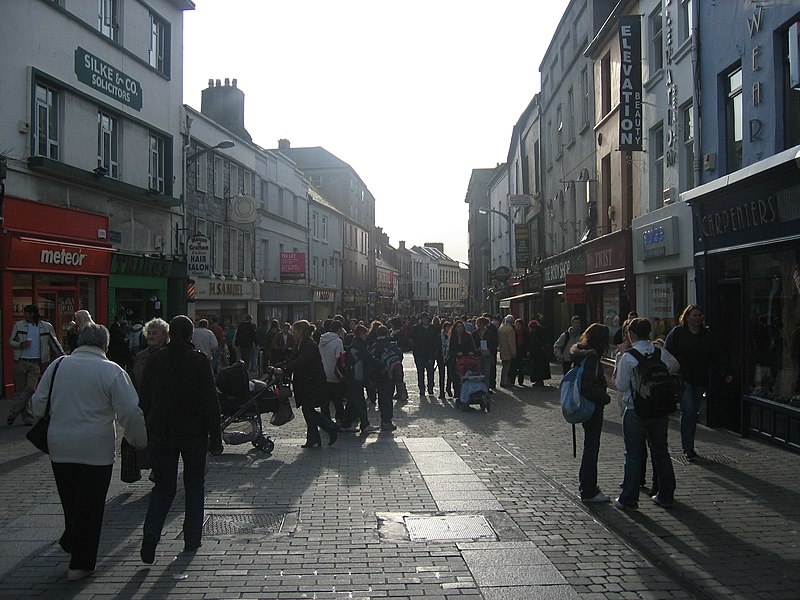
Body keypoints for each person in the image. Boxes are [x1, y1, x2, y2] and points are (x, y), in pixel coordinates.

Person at [31, 323, 147, 581]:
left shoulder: (58, 365)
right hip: (95, 448)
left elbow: (38, 404)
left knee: (70, 502)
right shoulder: (112, 371)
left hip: (59, 445)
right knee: (91, 505)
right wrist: (138, 440)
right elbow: (129, 411)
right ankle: (80, 563)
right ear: (105, 345)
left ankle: (72, 541)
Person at [139, 316, 223, 563]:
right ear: (190, 336)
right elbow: (210, 402)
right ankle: (192, 538)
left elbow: (144, 398)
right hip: (193, 433)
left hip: (162, 432)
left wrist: (148, 426)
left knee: (163, 487)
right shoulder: (198, 360)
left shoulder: (155, 359)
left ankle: (150, 536)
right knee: (194, 486)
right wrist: (215, 436)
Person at [614, 317, 680, 510]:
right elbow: (675, 365)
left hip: (636, 411)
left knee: (633, 455)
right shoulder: (659, 351)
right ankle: (666, 495)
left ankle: (629, 499)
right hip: (659, 410)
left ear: (631, 334)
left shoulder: (629, 356)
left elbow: (620, 385)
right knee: (661, 452)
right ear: (649, 333)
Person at [665, 304, 732, 461]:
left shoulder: (706, 336)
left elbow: (717, 355)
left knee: (693, 412)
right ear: (687, 317)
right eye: (694, 315)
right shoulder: (678, 333)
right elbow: (666, 353)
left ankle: (689, 444)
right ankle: (687, 447)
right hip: (683, 378)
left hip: (700, 378)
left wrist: (726, 372)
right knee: (687, 409)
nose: (697, 318)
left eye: (699, 315)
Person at [569, 324, 612, 503]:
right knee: (592, 447)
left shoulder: (581, 354)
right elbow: (587, 387)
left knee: (590, 445)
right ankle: (588, 489)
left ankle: (587, 485)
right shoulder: (592, 358)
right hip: (592, 407)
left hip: (586, 406)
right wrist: (604, 397)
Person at [280, 320, 340, 446]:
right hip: (305, 382)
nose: (293, 333)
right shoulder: (300, 344)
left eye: (294, 330)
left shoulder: (309, 345)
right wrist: (280, 367)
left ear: (300, 331)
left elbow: (302, 361)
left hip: (312, 383)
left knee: (308, 409)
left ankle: (330, 427)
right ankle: (313, 438)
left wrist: (284, 369)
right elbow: (294, 359)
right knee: (307, 410)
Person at [8, 304, 64, 426]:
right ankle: (27, 417)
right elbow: (11, 341)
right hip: (21, 361)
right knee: (21, 391)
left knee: (30, 389)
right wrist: (21, 344)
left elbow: (54, 343)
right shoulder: (19, 325)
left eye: (26, 313)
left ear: (32, 314)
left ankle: (13, 413)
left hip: (35, 363)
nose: (24, 315)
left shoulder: (45, 327)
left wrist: (63, 356)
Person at [339, 324, 381, 433]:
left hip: (353, 377)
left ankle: (346, 423)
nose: (367, 336)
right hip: (356, 377)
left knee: (352, 402)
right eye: (365, 334)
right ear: (361, 334)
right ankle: (365, 425)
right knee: (360, 402)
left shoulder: (356, 343)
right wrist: (381, 364)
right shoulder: (358, 345)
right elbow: (367, 358)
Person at [368, 325, 398, 431]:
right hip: (390, 374)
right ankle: (387, 420)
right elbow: (399, 356)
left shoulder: (373, 346)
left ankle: (383, 418)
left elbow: (370, 360)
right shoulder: (391, 345)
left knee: (381, 396)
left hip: (378, 375)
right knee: (388, 397)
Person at [129, 318, 169, 393]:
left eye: (154, 333)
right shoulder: (140, 356)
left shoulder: (169, 356)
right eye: (148, 333)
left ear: (164, 335)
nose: (150, 336)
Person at [318, 319, 346, 424]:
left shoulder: (322, 340)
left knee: (325, 399)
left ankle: (325, 418)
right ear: (339, 329)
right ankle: (340, 418)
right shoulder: (338, 341)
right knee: (337, 398)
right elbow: (340, 357)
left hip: (323, 372)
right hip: (334, 373)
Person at [409, 312, 437, 396]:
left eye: (426, 318)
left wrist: (434, 352)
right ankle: (421, 388)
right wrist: (415, 346)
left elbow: (435, 341)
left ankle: (430, 388)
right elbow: (410, 339)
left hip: (430, 354)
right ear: (420, 320)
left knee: (430, 372)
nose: (425, 320)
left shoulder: (432, 328)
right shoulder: (416, 328)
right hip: (419, 354)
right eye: (423, 318)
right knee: (420, 372)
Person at [448, 319, 476, 400]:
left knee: (467, 376)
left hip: (467, 359)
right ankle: (457, 393)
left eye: (461, 326)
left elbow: (472, 347)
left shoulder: (468, 336)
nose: (460, 328)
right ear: (455, 328)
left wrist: (471, 352)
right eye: (458, 327)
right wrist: (456, 353)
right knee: (456, 377)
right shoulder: (453, 337)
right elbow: (451, 349)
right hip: (456, 360)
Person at [525, 320, 552, 386]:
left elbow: (532, 343)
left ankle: (538, 381)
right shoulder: (543, 330)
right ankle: (540, 381)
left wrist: (529, 351)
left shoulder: (534, 333)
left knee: (537, 368)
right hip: (542, 353)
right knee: (542, 367)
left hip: (536, 354)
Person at [471, 317, 494, 390]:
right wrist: (477, 348)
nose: (478, 325)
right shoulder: (474, 333)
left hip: (487, 355)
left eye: (479, 323)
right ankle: (479, 389)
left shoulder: (489, 333)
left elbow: (494, 343)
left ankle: (486, 389)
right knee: (479, 373)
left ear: (484, 324)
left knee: (487, 373)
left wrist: (489, 350)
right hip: (478, 355)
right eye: (477, 323)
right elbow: (472, 344)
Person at [498, 315, 517, 387]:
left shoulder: (501, 328)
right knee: (507, 367)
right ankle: (505, 382)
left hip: (502, 349)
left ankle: (502, 381)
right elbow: (511, 342)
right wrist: (513, 352)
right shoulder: (510, 329)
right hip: (508, 350)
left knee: (504, 366)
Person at [437, 321, 453, 399]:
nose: (448, 329)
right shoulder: (439, 336)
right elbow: (436, 347)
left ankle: (448, 388)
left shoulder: (452, 336)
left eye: (449, 327)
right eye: (447, 327)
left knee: (450, 374)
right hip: (441, 357)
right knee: (441, 375)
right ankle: (441, 392)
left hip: (449, 357)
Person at [513, 319, 529, 386]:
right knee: (514, 366)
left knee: (522, 366)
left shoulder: (525, 332)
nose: (517, 326)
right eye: (516, 324)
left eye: (518, 324)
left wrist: (528, 350)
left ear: (521, 325)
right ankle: (512, 381)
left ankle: (521, 380)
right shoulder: (513, 332)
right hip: (515, 349)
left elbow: (527, 342)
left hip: (523, 350)